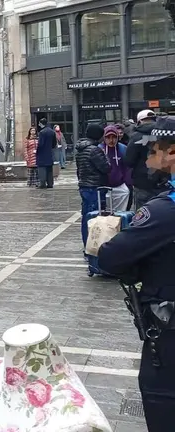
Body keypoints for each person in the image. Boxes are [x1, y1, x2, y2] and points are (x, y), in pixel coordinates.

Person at [96, 116, 175, 432]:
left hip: (169, 338)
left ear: (171, 154)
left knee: (162, 405)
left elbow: (111, 258)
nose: (149, 156)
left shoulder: (164, 211)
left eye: (154, 149)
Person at [75, 123, 111, 253]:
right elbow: (106, 167)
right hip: (95, 187)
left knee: (86, 216)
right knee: (94, 217)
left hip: (84, 185)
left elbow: (79, 170)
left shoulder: (81, 149)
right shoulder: (95, 150)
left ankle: (87, 244)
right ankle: (92, 246)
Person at [126, 109, 170, 209]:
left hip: (142, 183)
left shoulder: (136, 137)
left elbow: (129, 161)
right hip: (163, 182)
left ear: (139, 121)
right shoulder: (165, 134)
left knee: (143, 215)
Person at [99, 125, 132, 211]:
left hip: (120, 186)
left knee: (120, 213)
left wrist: (127, 184)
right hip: (104, 186)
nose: (111, 140)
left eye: (114, 137)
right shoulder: (99, 149)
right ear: (104, 138)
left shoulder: (123, 149)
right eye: (108, 137)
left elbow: (127, 168)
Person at [36, 118, 56, 188]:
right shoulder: (52, 132)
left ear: (41, 123)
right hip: (49, 153)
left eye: (39, 123)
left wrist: (37, 151)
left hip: (42, 154)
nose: (38, 125)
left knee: (42, 169)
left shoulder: (42, 132)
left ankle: (42, 183)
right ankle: (50, 183)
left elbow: (40, 144)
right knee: (49, 169)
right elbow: (54, 144)